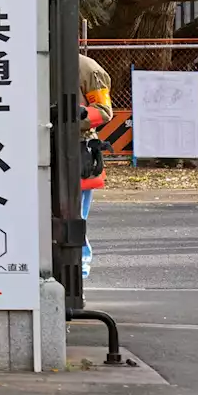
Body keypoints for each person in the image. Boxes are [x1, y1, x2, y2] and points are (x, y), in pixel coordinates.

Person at [79, 53, 113, 278]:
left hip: (75, 150)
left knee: (75, 215)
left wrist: (72, 118)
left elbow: (103, 110)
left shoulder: (87, 68)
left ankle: (79, 266)